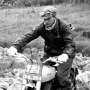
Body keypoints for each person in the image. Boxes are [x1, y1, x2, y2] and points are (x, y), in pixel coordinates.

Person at [7, 6, 75, 90]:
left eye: (48, 19)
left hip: (65, 55)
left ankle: (69, 88)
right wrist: (15, 46)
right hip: (50, 54)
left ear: (54, 17)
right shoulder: (42, 27)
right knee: (39, 74)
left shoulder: (64, 27)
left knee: (61, 77)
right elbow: (28, 36)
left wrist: (66, 54)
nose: (45, 22)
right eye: (44, 19)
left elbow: (70, 44)